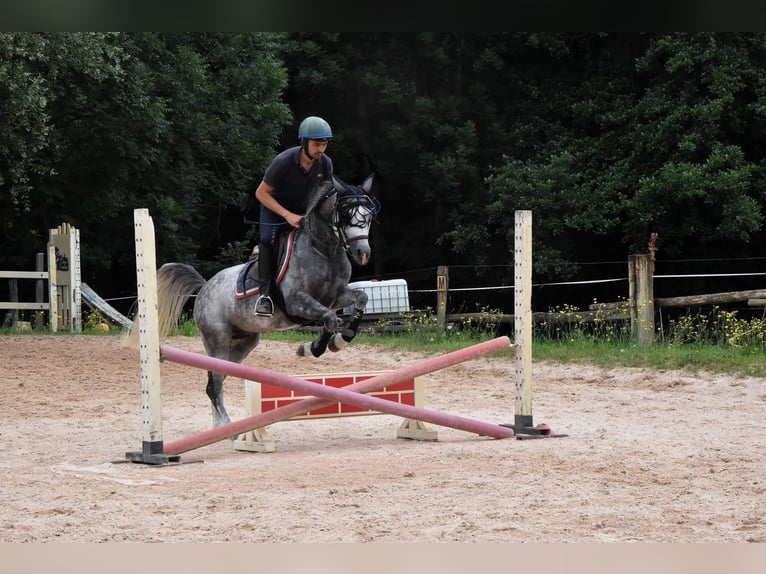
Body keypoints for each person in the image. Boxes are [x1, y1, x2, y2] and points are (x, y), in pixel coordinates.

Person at [253, 116, 335, 316]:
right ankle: (264, 296)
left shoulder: (325, 164)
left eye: (324, 144)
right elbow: (260, 193)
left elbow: (327, 193)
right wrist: (288, 215)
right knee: (267, 241)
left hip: (305, 211)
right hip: (275, 210)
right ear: (303, 143)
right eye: (317, 144)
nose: (321, 150)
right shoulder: (282, 162)